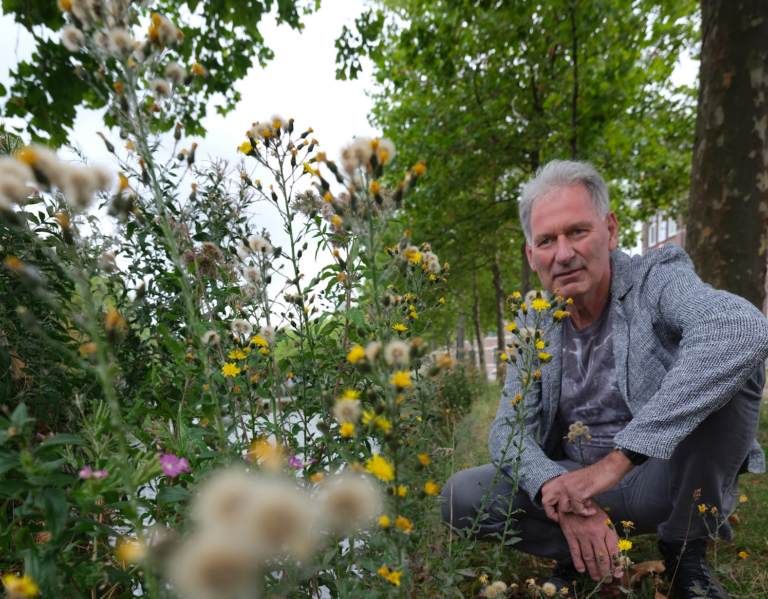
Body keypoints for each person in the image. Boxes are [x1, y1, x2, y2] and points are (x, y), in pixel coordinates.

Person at [440, 160, 768, 599]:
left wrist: (616, 462)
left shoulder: (655, 278)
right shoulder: (534, 322)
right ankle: (581, 551)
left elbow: (741, 328)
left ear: (610, 231)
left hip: (664, 479)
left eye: (578, 231)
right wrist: (556, 490)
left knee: (733, 360)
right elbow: (507, 430)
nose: (563, 254)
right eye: (547, 240)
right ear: (531, 255)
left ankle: (684, 551)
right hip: (574, 480)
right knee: (459, 496)